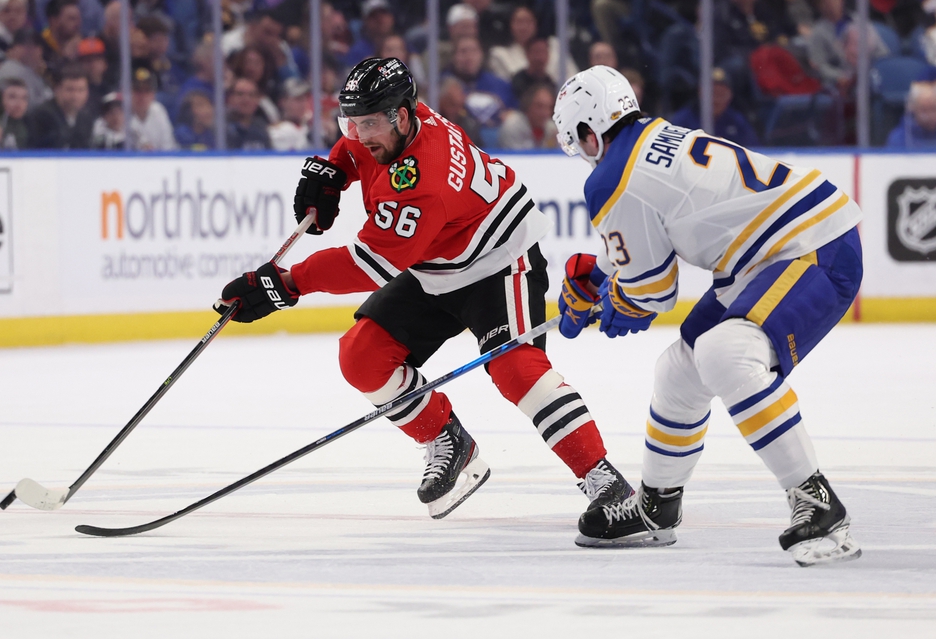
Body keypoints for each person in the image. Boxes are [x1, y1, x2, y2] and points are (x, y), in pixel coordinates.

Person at [215, 57, 638, 541]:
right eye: (350, 122)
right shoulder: (395, 124)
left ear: (400, 116)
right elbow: (355, 149)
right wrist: (334, 169)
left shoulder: (424, 180)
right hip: (435, 263)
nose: (358, 135)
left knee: (516, 369)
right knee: (362, 356)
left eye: (368, 124)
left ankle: (607, 482)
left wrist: (286, 284)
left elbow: (369, 263)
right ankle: (447, 439)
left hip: (499, 262)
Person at [551, 65, 864, 564]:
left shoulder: (612, 176)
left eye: (580, 143)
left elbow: (651, 294)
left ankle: (817, 501)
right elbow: (640, 233)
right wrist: (598, 278)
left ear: (589, 132)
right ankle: (656, 507)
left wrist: (611, 304)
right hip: (774, 250)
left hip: (811, 246)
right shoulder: (647, 140)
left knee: (726, 352)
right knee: (679, 370)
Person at [25, 64, 94, 149]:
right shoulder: (42, 115)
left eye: (81, 90)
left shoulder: (86, 117)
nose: (75, 96)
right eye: (70, 90)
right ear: (57, 89)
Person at [0, 78, 30, 149]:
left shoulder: (33, 126)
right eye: (12, 97)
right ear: (1, 99)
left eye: (24, 98)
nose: (19, 104)